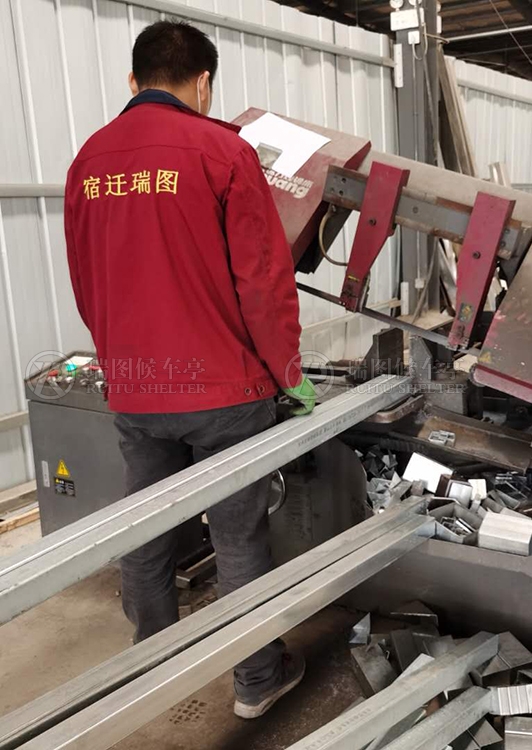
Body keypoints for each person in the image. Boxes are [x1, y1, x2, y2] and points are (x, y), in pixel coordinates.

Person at [64, 20, 317, 719]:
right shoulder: (224, 152)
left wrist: (124, 362)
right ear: (204, 83)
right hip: (225, 393)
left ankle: (151, 669)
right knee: (237, 536)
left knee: (148, 532)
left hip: (138, 389)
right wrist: (288, 374)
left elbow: (86, 282)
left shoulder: (89, 161)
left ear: (133, 80)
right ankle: (256, 679)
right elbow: (263, 283)